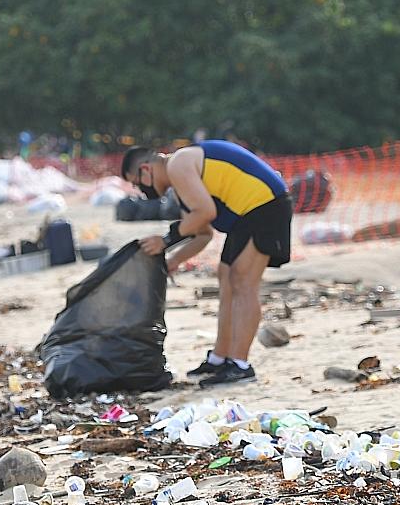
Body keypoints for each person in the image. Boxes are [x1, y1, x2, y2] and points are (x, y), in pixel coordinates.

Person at [121, 140, 292, 388]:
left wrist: (166, 240)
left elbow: (205, 212)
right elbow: (203, 234)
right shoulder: (180, 184)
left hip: (264, 204)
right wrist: (174, 260)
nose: (140, 189)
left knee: (243, 282)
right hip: (246, 213)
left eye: (137, 182)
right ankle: (220, 358)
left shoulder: (178, 165)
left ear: (146, 169)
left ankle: (240, 365)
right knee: (226, 278)